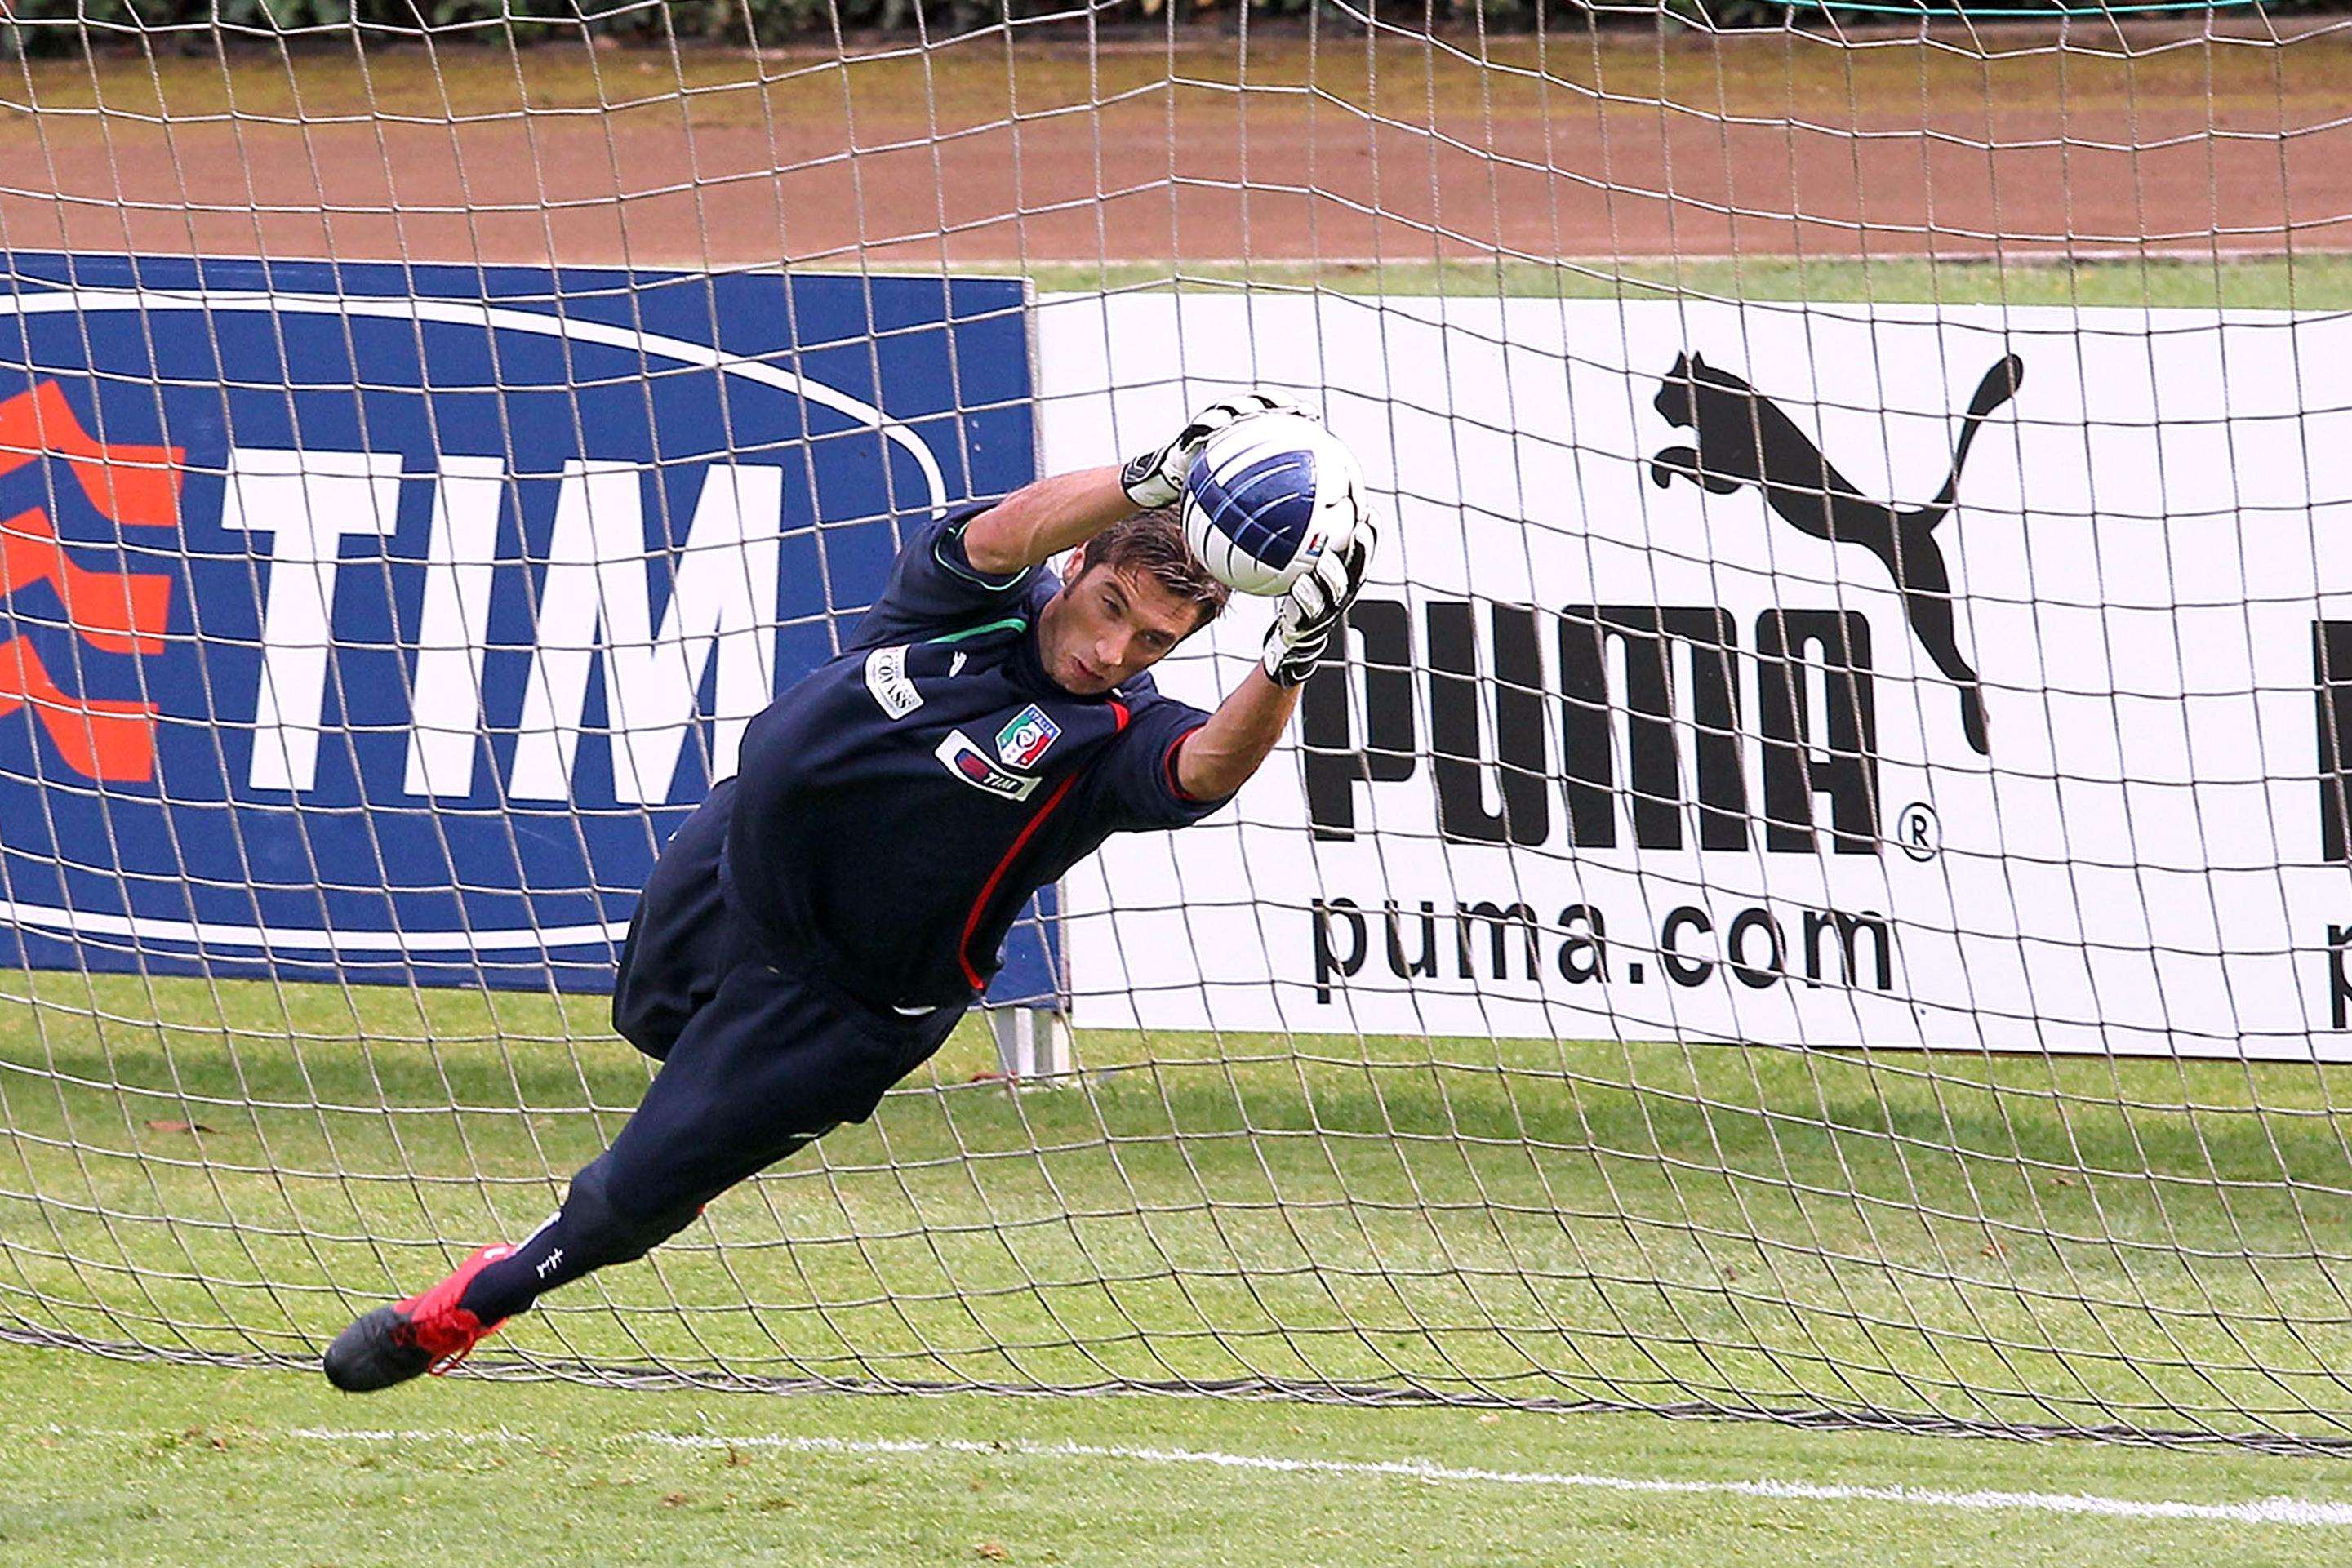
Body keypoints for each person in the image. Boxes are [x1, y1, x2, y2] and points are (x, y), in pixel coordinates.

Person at [322, 393, 1376, 1391]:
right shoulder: (973, 596)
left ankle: (470, 1302)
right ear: (1081, 565)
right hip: (731, 869)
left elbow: (1203, 771)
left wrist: (1289, 661)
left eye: (1152, 640)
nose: (1112, 649)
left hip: (838, 1010)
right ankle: (683, 1084)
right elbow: (1007, 532)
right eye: (1108, 609)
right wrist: (1155, 476)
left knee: (624, 1202)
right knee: (643, 1019)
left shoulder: (1115, 740)